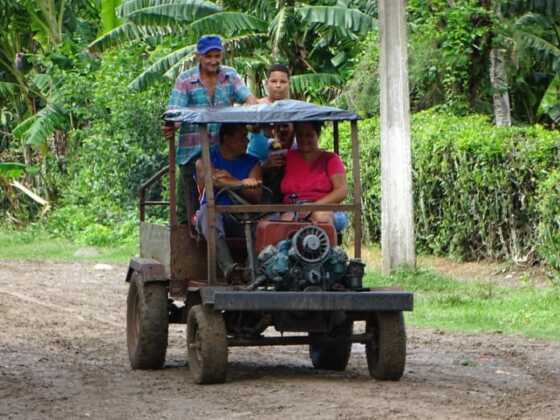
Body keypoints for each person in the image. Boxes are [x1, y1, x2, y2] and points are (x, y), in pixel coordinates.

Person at [162, 35, 258, 223]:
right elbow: (174, 112)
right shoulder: (185, 80)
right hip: (192, 154)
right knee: (188, 208)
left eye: (217, 56)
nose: (213, 61)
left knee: (225, 203)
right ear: (199, 56)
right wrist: (171, 125)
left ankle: (228, 238)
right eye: (208, 56)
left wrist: (248, 110)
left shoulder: (230, 76)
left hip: (223, 153)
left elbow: (249, 99)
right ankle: (187, 246)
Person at [195, 124, 262, 282]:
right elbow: (211, 180)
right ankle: (229, 269)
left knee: (265, 224)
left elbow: (256, 194)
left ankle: (251, 270)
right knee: (208, 215)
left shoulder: (253, 162)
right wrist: (241, 183)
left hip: (242, 216)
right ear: (226, 139)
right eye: (242, 137)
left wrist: (229, 180)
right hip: (215, 215)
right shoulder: (205, 160)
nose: (247, 141)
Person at [280, 122, 347, 224]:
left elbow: (341, 191)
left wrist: (313, 206)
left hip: (325, 208)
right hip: (294, 209)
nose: (304, 139)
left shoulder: (331, 159)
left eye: (309, 135)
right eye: (300, 135)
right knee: (284, 223)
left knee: (320, 217)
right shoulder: (287, 157)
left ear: (318, 135)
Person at [247, 64, 292, 162]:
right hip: (256, 162)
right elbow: (247, 128)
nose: (278, 85)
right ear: (267, 83)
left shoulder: (294, 108)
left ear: (289, 83)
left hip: (288, 162)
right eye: (274, 81)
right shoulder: (256, 105)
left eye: (283, 82)